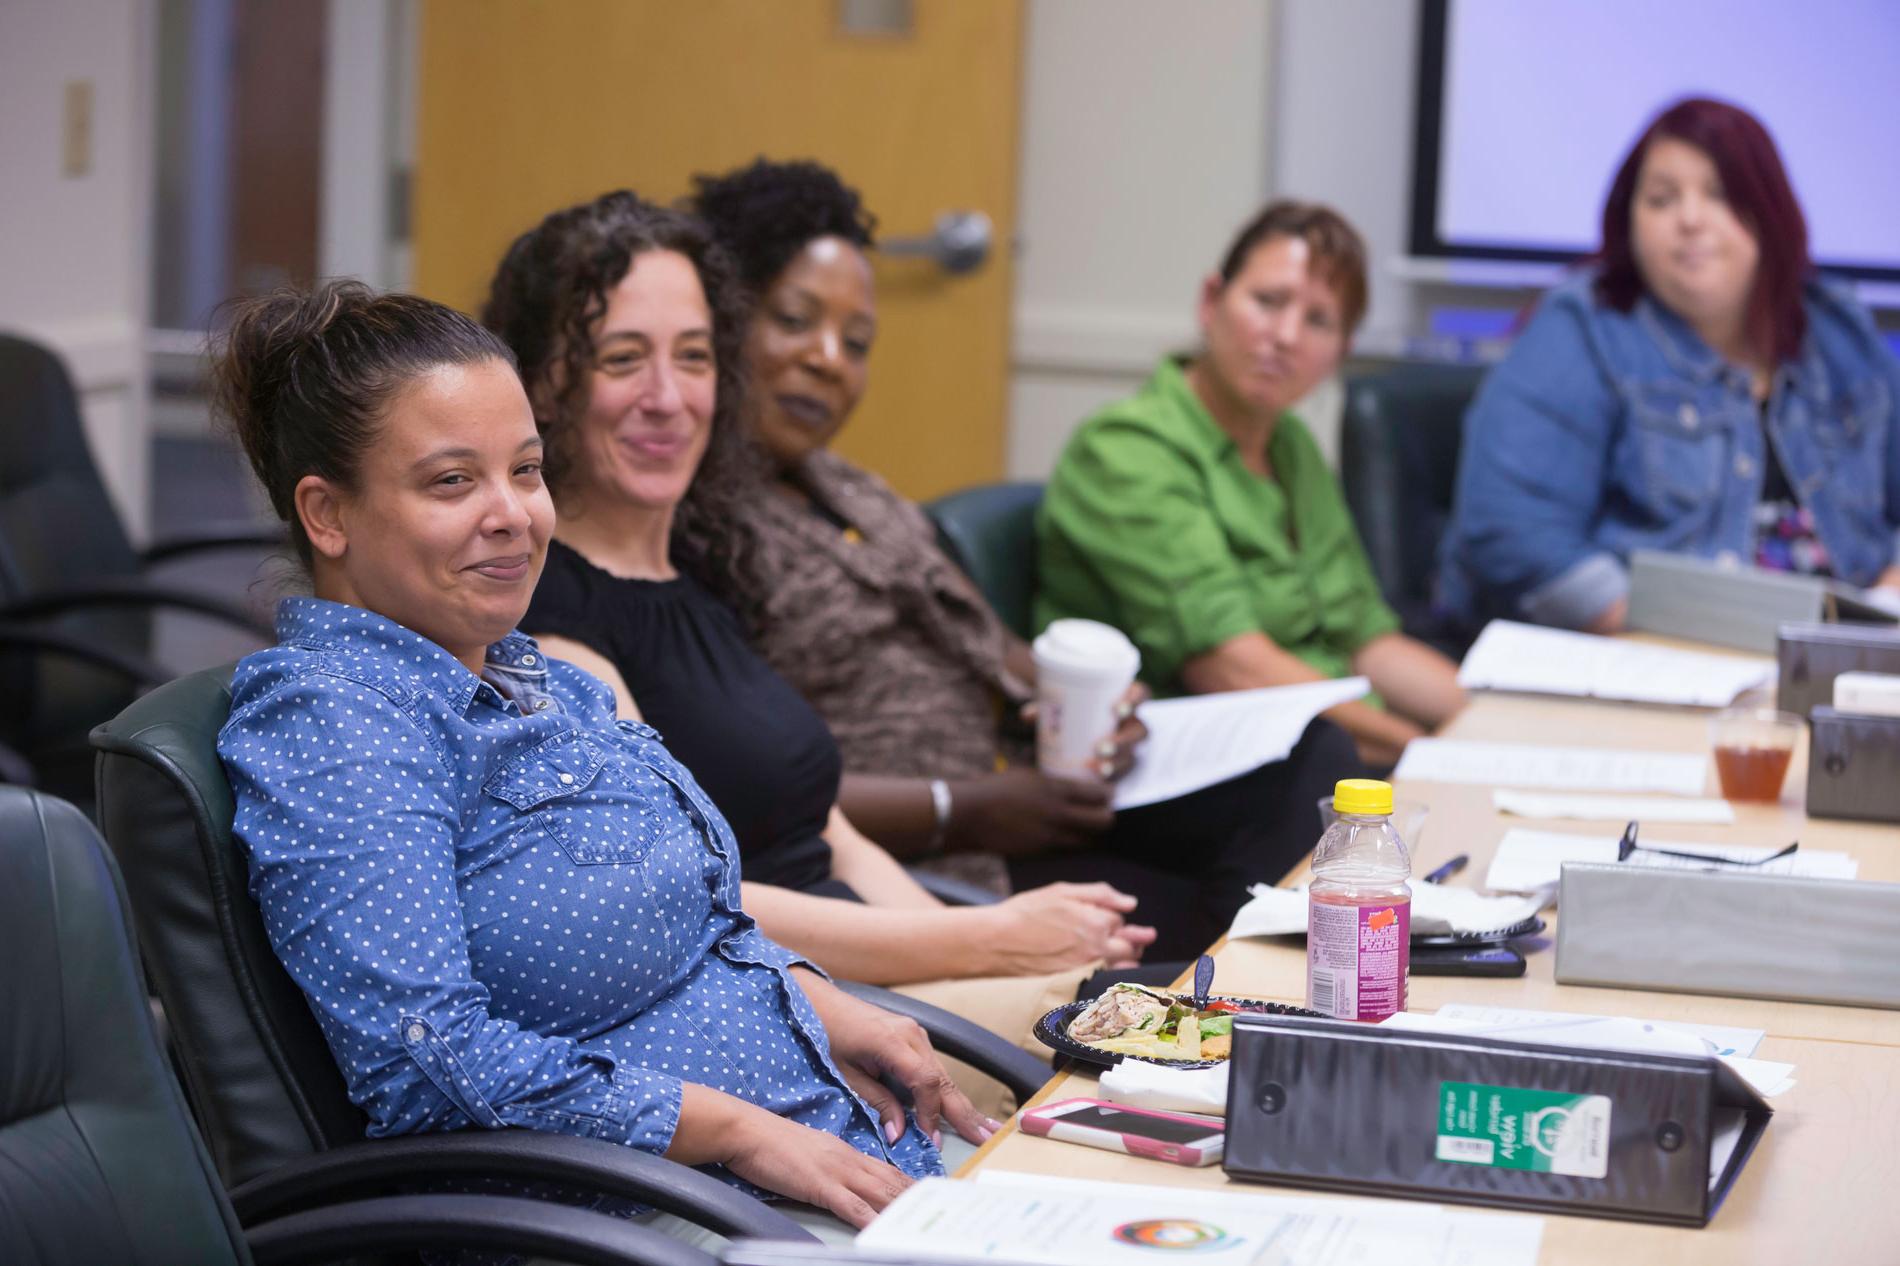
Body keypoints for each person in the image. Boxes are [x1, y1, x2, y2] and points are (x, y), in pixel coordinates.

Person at [212, 279, 991, 1231]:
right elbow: (428, 1062)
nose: (514, 514)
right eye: (453, 481)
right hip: (636, 1221)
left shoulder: (536, 679)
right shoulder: (336, 724)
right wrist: (734, 1133)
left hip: (831, 1164)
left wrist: (831, 1010)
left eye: (527, 470)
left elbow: (702, 931)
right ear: (327, 515)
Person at [480, 190, 1158, 1007]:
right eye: (623, 358)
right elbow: (677, 899)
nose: (668, 396)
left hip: (883, 972)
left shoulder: (702, 571)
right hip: (778, 1003)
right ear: (544, 386)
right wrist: (987, 942)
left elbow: (832, 838)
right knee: (1140, 1049)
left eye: (694, 358)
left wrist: (1000, 957)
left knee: (1134, 1012)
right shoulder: (549, 620)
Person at [687, 159, 1364, 959]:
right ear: (723, 324)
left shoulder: (852, 490)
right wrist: (969, 806)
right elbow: (761, 786)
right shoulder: (704, 528)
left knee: (1309, 764)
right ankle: (1201, 1023)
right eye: (794, 321)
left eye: (856, 340)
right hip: (941, 861)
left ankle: (1216, 1011)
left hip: (1032, 797)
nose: (828, 358)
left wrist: (1086, 704)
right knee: (1243, 918)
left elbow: (986, 644)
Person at [1439, 96, 1900, 633]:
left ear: (1769, 210)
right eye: (1661, 199)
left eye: (1720, 194)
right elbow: (1510, 528)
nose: (1690, 219)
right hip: (1664, 654)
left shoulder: (1839, 330)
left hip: (1850, 657)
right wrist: (1647, 632)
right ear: (1628, 219)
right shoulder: (1585, 328)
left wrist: (1885, 610)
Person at [1036, 200, 1465, 768]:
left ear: (1341, 351)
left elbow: (1369, 641)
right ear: (1211, 301)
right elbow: (1233, 669)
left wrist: (1498, 725)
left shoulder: (1290, 444)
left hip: (1331, 748)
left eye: (1319, 320)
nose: (1285, 336)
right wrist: (1430, 753)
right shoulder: (1125, 451)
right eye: (1268, 302)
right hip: (1205, 773)